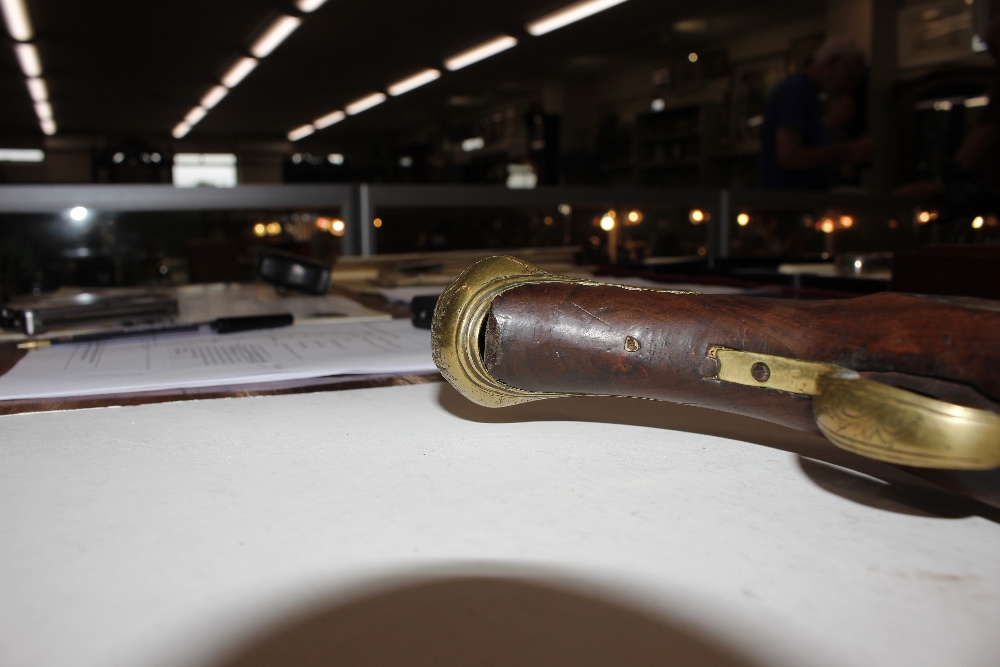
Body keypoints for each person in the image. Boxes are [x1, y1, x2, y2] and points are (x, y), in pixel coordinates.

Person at [757, 36, 872, 190]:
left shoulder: (810, 93)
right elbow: (789, 156)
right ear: (832, 63)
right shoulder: (796, 89)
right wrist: (843, 152)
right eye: (850, 76)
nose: (850, 86)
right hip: (785, 201)